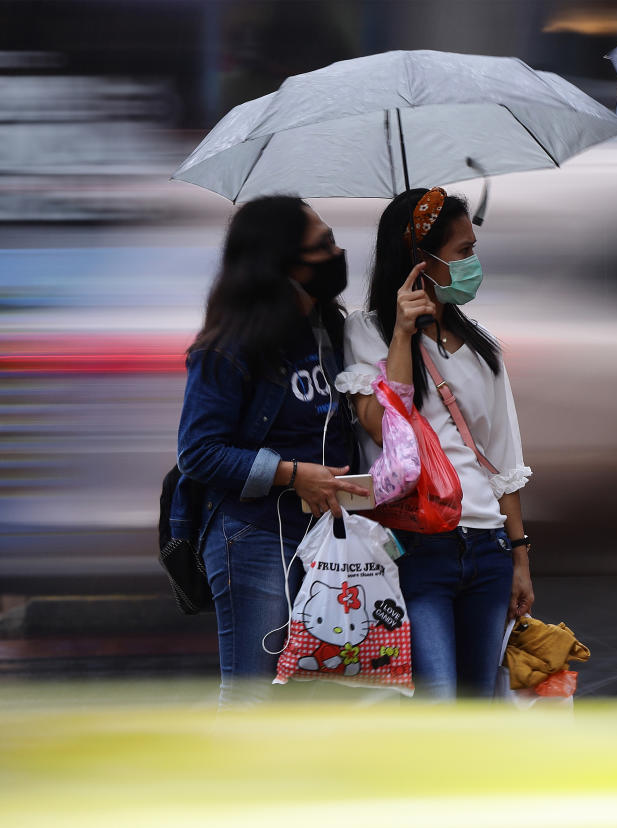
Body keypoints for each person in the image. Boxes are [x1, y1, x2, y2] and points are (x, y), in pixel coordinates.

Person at [335, 186, 534, 700]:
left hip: (486, 543)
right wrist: (403, 334)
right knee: (437, 702)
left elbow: (503, 460)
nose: (473, 263)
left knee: (479, 705)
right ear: (419, 261)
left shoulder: (483, 347)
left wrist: (519, 559)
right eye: (462, 252)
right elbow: (380, 424)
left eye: (473, 249)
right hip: (417, 543)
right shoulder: (368, 331)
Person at [177, 196, 369, 707]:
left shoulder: (330, 328)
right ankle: (230, 786)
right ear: (281, 262)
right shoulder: (230, 346)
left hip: (329, 538)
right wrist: (290, 473)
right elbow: (198, 452)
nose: (337, 252)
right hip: (256, 536)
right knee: (251, 694)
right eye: (322, 246)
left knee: (324, 696)